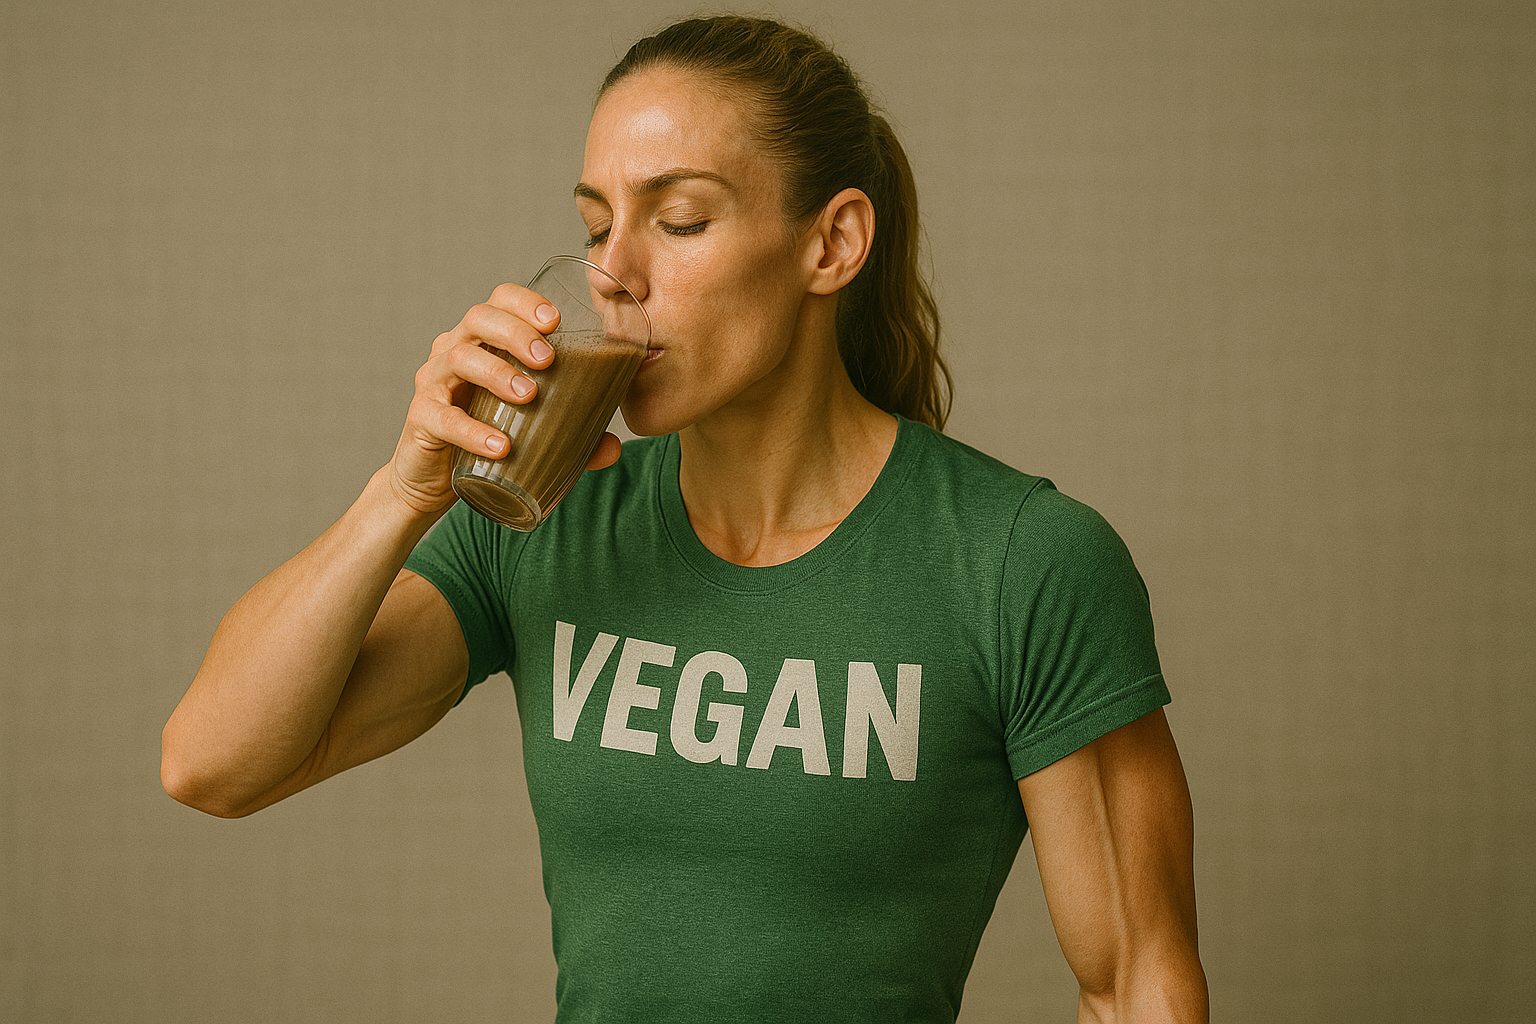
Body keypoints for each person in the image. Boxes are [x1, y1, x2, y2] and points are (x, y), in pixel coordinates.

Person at [162, 15, 1208, 1023]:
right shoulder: (539, 524)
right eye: (594, 225)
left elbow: (1134, 985)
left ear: (832, 243)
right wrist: (405, 489)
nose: (614, 270)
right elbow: (214, 764)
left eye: (680, 221)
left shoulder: (1023, 562)